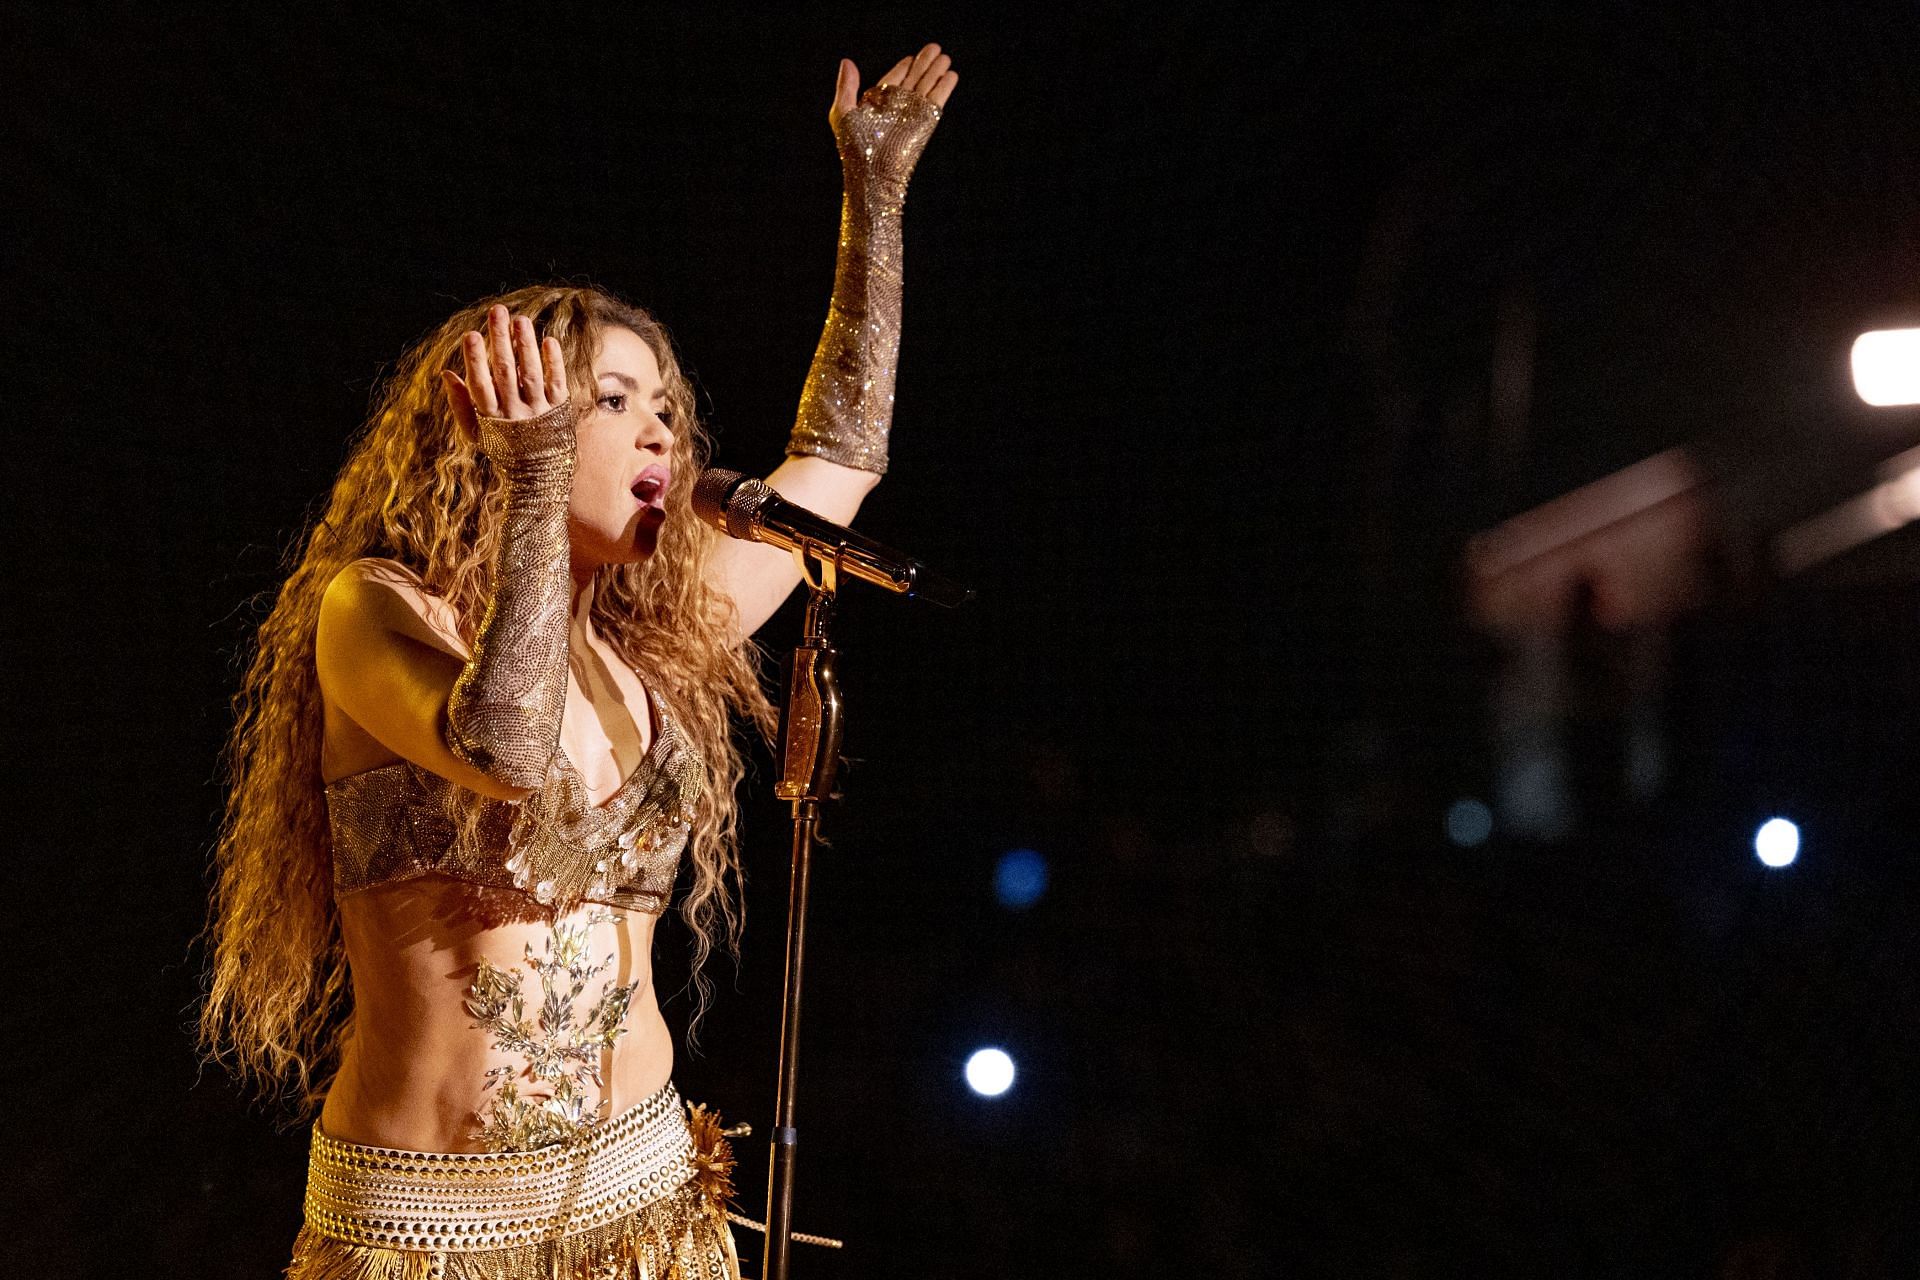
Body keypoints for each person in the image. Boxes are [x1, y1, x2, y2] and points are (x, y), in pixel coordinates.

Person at [197, 44, 958, 1278]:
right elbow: (502, 745)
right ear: (502, 424)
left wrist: (877, 198)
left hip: (647, 1203)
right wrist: (535, 485)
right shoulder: (373, 610)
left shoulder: (651, 645)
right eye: (614, 400)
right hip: (432, 1231)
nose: (663, 427)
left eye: (667, 404)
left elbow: (840, 461)